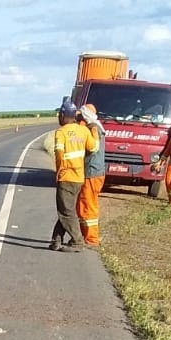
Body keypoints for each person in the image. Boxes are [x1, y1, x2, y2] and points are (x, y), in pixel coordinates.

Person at [51, 100, 97, 252]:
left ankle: (78, 241)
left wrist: (58, 172)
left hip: (66, 177)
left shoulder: (61, 132)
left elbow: (59, 155)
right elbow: (93, 147)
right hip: (78, 178)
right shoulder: (83, 131)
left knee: (66, 211)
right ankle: (56, 240)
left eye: (60, 114)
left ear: (64, 115)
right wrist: (94, 130)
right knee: (67, 209)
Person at [75, 103, 105, 247]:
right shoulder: (94, 126)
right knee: (83, 205)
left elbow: (94, 147)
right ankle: (85, 235)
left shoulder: (93, 128)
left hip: (92, 173)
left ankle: (92, 239)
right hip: (91, 172)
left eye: (81, 115)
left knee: (89, 206)